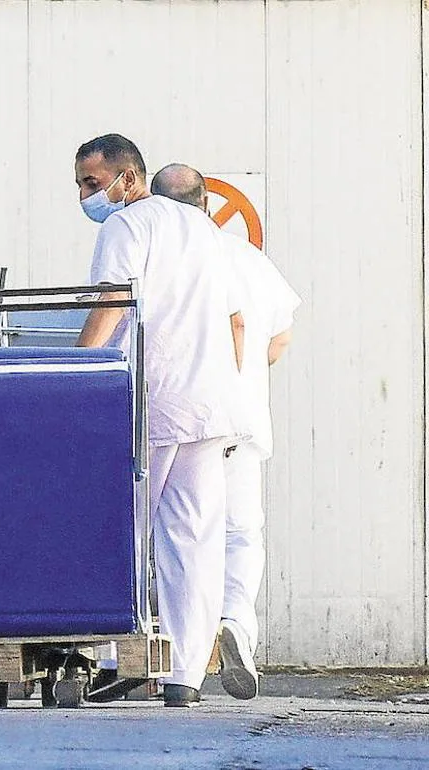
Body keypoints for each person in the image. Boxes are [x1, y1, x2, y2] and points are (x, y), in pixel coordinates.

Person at [72, 135, 247, 707]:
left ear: (127, 178)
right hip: (210, 403)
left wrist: (75, 370)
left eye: (91, 183)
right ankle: (185, 676)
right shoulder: (203, 229)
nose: (84, 196)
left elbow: (113, 302)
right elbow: (233, 318)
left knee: (117, 527)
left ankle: (110, 659)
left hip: (155, 397)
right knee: (192, 539)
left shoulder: (125, 227)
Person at [150, 163, 301, 701]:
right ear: (208, 205)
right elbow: (278, 339)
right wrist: (247, 373)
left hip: (187, 417)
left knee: (181, 535)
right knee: (239, 532)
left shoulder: (165, 256)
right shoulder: (245, 257)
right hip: (241, 420)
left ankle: (168, 648)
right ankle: (234, 624)